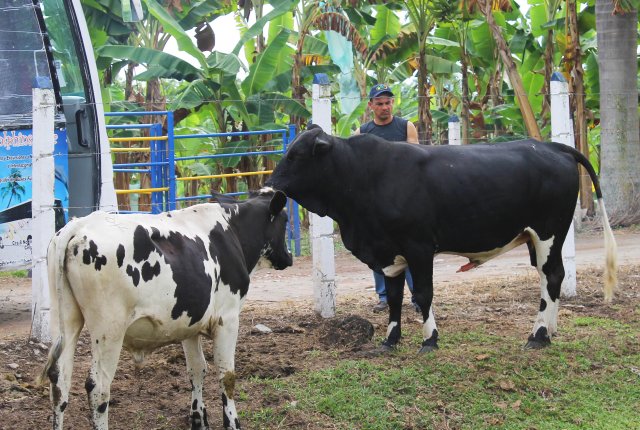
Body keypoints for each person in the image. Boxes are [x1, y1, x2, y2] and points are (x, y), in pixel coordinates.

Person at [354, 83, 419, 313]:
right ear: (371, 106)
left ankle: (418, 297)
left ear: (393, 103)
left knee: (410, 248)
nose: (385, 107)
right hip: (376, 202)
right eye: (379, 103)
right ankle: (383, 297)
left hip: (405, 200)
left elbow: (416, 161)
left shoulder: (406, 127)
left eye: (388, 102)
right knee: (380, 249)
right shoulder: (362, 132)